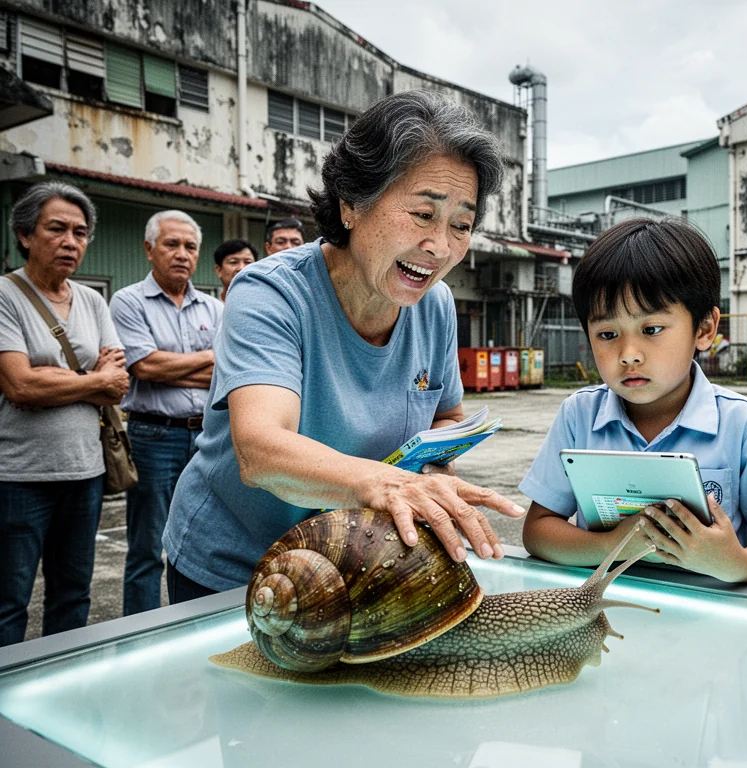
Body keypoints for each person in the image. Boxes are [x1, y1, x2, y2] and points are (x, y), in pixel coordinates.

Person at [162, 90, 525, 603]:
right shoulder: (271, 292)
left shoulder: (436, 304)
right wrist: (387, 484)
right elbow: (261, 449)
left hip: (355, 563)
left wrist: (433, 472)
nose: (440, 246)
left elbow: (446, 417)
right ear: (351, 203)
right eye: (423, 214)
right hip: (238, 567)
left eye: (461, 226)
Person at [519, 218, 747, 581]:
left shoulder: (745, 425)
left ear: (704, 329)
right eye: (607, 334)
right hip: (607, 606)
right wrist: (612, 545)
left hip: (711, 610)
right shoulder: (579, 415)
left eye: (651, 329)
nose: (628, 354)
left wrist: (735, 562)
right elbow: (538, 530)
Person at [0, 182, 129, 646]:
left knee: (73, 595)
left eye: (80, 232)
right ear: (25, 235)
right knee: (8, 600)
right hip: (17, 475)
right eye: (56, 229)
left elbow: (118, 382)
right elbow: (19, 384)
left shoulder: (92, 300)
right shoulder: (5, 296)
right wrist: (93, 380)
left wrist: (52, 380)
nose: (70, 241)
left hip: (85, 472)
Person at [109, 211, 223, 616]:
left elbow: (226, 372)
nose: (182, 254)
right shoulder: (128, 301)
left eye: (190, 247)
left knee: (203, 541)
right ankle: (138, 635)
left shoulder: (214, 307)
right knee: (146, 547)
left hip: (206, 437)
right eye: (171, 244)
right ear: (149, 249)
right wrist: (208, 358)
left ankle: (190, 626)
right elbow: (144, 366)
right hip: (154, 437)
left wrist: (170, 366)